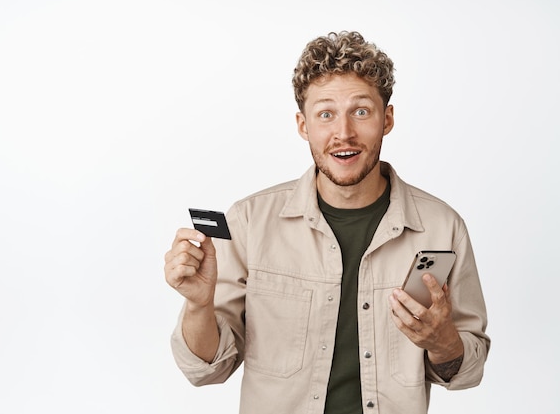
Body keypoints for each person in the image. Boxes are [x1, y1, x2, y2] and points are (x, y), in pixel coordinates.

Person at [164, 31, 490, 414]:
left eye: (361, 111)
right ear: (304, 126)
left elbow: (468, 369)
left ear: (387, 119)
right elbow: (208, 370)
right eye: (325, 114)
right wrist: (199, 305)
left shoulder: (442, 226)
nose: (344, 133)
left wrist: (443, 341)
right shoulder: (249, 222)